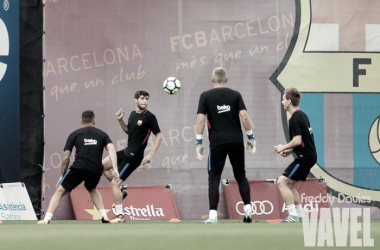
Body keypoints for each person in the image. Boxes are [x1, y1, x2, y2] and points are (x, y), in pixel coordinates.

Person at [196, 67, 256, 224]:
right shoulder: (235, 95)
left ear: (212, 80)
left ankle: (213, 216)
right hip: (236, 141)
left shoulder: (205, 96)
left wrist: (198, 142)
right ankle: (248, 209)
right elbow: (244, 116)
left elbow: (201, 121)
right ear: (226, 80)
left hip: (217, 143)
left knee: (214, 177)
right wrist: (251, 137)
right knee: (240, 175)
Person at [37, 110, 118, 224]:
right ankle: (104, 216)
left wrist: (62, 175)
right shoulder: (102, 134)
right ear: (94, 121)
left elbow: (66, 157)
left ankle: (46, 219)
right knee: (92, 189)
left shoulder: (74, 134)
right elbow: (112, 149)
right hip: (95, 169)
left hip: (78, 168)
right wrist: (115, 168)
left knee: (60, 190)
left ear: (81, 121)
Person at [102, 90, 162, 223]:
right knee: (103, 166)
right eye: (142, 98)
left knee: (115, 183)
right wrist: (120, 120)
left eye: (146, 99)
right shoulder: (132, 114)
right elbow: (129, 131)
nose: (145, 101)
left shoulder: (150, 117)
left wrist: (151, 154)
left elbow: (159, 136)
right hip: (126, 151)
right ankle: (121, 193)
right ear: (135, 100)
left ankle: (119, 216)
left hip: (134, 157)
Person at [274, 87, 317, 222]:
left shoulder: (295, 118)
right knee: (289, 184)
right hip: (308, 156)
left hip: (305, 158)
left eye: (283, 99)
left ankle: (293, 215)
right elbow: (303, 141)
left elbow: (297, 140)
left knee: (281, 182)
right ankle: (299, 217)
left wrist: (283, 147)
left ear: (289, 101)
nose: (282, 102)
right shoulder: (302, 115)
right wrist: (290, 150)